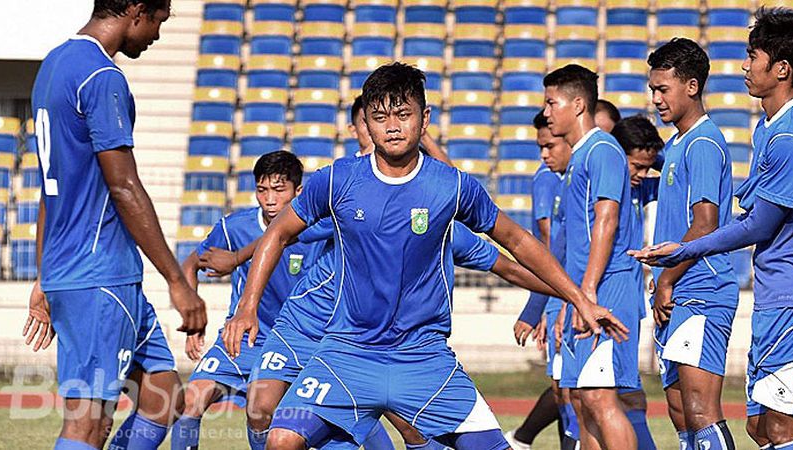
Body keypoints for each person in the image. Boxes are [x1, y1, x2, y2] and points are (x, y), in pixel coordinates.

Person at [220, 62, 627, 450]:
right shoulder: (337, 180)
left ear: (424, 118)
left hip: (423, 358)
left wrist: (579, 299)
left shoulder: (451, 186)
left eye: (403, 114)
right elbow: (278, 231)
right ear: (366, 124)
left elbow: (516, 242)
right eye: (380, 116)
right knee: (281, 438)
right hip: (347, 353)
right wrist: (247, 306)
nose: (392, 126)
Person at [631, 8, 793, 450]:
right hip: (777, 297)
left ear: (781, 69)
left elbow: (758, 223)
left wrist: (682, 253)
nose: (745, 66)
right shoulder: (771, 127)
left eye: (753, 56)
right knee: (760, 429)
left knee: (782, 428)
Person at [23, 1, 209, 449]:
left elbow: (54, 186)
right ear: (136, 11)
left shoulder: (54, 65)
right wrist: (176, 281)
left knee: (163, 395)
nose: (157, 35)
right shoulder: (102, 77)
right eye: (158, 23)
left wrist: (45, 274)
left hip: (82, 270)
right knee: (87, 425)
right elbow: (123, 186)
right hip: (99, 275)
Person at [170, 151, 327, 450]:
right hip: (241, 340)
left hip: (295, 340)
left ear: (298, 191)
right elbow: (190, 264)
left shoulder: (314, 229)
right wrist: (193, 321)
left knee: (261, 414)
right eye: (262, 190)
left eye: (279, 190)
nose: (269, 199)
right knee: (189, 402)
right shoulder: (234, 227)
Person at [646, 38, 740, 450]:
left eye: (663, 89)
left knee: (702, 411)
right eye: (652, 90)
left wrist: (666, 280)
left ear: (692, 86)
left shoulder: (702, 143)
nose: (656, 99)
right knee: (681, 411)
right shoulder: (677, 144)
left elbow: (705, 225)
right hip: (678, 292)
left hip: (702, 290)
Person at [544, 64, 640, 450]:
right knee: (583, 402)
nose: (547, 112)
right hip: (585, 293)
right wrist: (571, 300)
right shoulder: (580, 158)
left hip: (607, 288)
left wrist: (587, 293)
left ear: (578, 104)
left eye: (552, 102)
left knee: (600, 399)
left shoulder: (602, 150)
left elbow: (607, 218)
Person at [508, 112, 580, 450]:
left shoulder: (578, 173)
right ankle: (523, 439)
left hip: (573, 294)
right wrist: (541, 306)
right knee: (565, 389)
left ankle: (522, 439)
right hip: (561, 292)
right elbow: (549, 247)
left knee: (577, 391)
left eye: (550, 145)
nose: (544, 154)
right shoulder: (548, 178)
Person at [610, 115, 665, 450]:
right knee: (600, 397)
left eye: (648, 167)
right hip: (607, 299)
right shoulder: (603, 187)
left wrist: (651, 154)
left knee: (621, 396)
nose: (643, 175)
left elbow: (676, 166)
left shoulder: (637, 188)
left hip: (627, 301)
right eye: (637, 166)